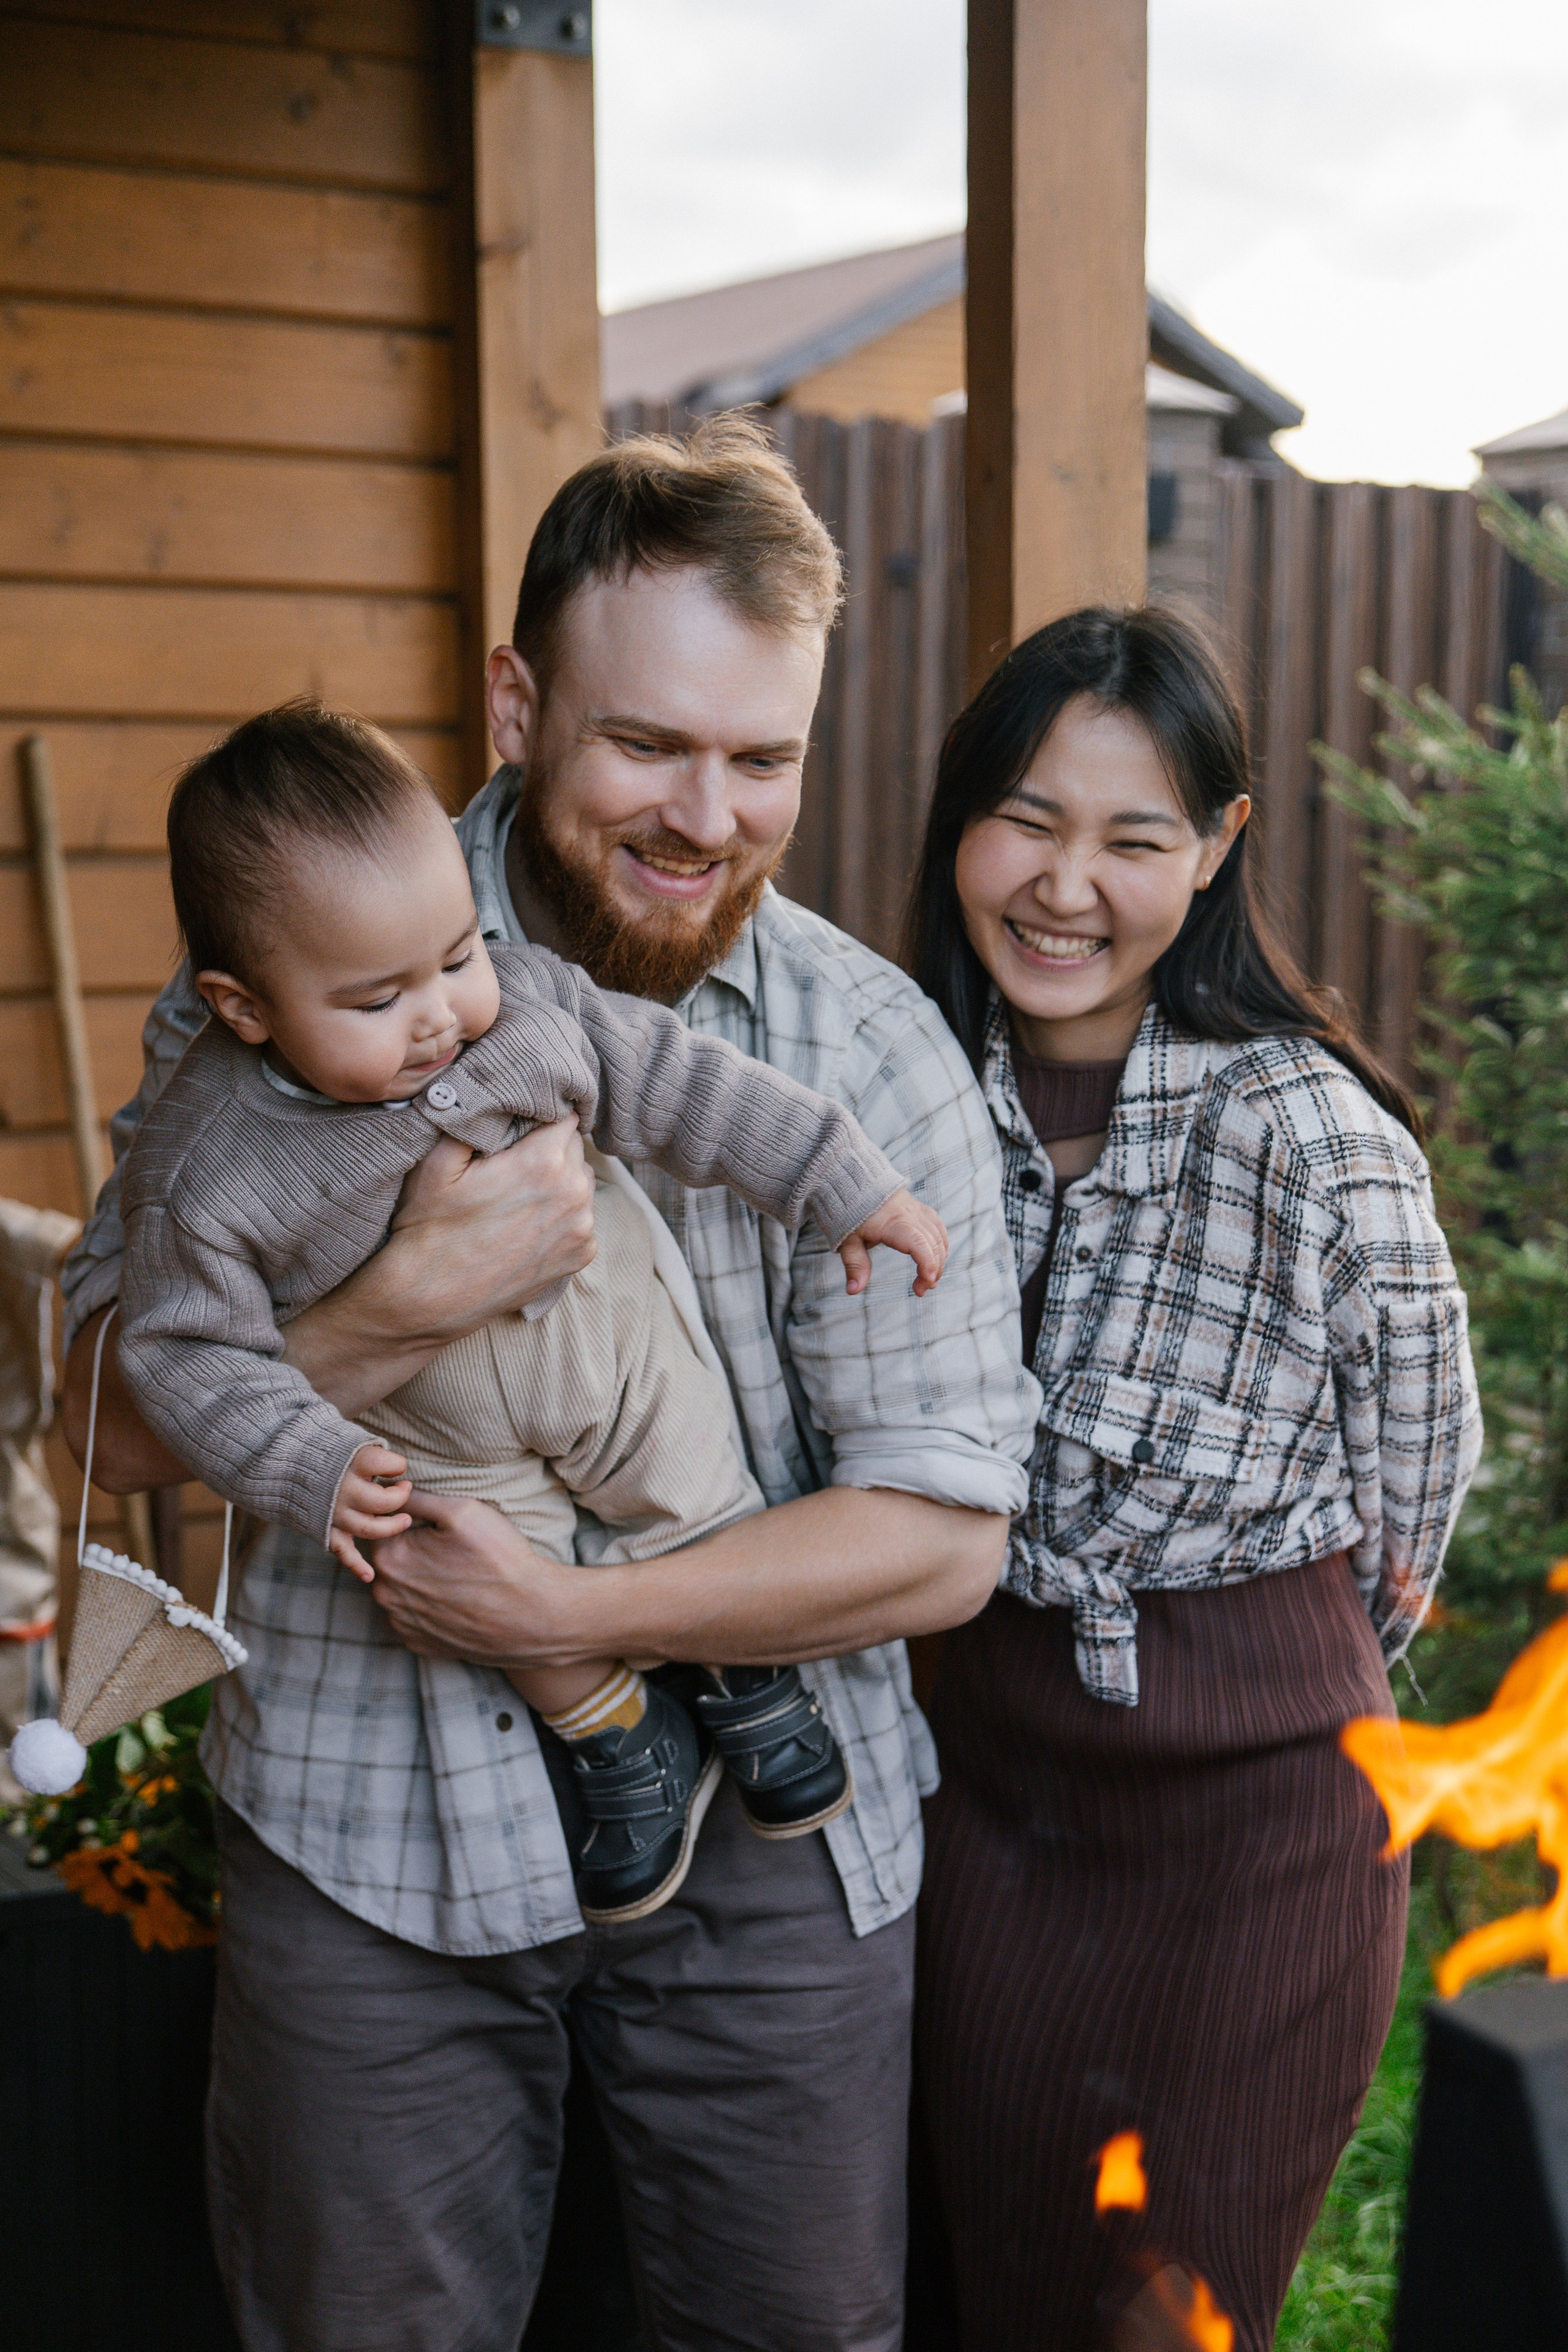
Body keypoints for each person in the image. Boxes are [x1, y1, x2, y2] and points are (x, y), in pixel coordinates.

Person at [59, 418, 1039, 2352]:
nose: (708, 815)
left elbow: (942, 1543)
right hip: (371, 1836)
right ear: (517, 701)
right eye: (648, 745)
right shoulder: (281, 980)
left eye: (763, 758)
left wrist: (577, 1619)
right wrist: (405, 1299)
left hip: (785, 1854)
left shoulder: (866, 1046)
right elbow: (105, 1436)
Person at [116, 698, 945, 1921]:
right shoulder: (212, 1165)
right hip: (434, 1431)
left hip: (601, 1344)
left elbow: (683, 1083)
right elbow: (182, 1357)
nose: (442, 1014)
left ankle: (743, 1679)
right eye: (376, 998)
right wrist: (309, 1461)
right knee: (460, 1567)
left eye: (454, 957)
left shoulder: (529, 1006)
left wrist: (841, 1180)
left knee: (684, 1467)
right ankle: (619, 1735)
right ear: (245, 1008)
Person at [905, 606, 1481, 2352]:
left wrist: (1256, 1651)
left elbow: (1420, 1477)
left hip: (1256, 1828)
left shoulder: (1309, 1131)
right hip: (984, 1793)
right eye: (1028, 819)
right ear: (959, 825)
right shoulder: (903, 1090)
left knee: (1165, 2314)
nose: (1067, 885)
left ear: (1217, 850)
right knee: (977, 2277)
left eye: (1134, 837)